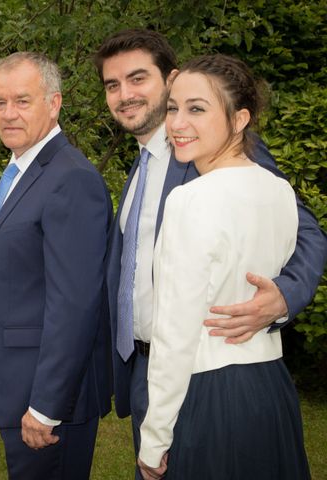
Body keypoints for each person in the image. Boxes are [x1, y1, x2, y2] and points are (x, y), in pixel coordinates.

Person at [93, 28, 327, 476]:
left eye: (138, 78)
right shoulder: (137, 172)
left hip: (198, 375)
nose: (125, 94)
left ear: (169, 78)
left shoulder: (223, 167)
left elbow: (309, 234)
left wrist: (283, 295)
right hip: (156, 372)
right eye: (112, 84)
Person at [0, 52, 113, 480]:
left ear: (54, 103)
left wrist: (46, 406)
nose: (8, 114)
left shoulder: (71, 178)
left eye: (22, 101)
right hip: (16, 383)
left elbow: (75, 305)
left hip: (47, 401)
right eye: (0, 103)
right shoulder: (20, 172)